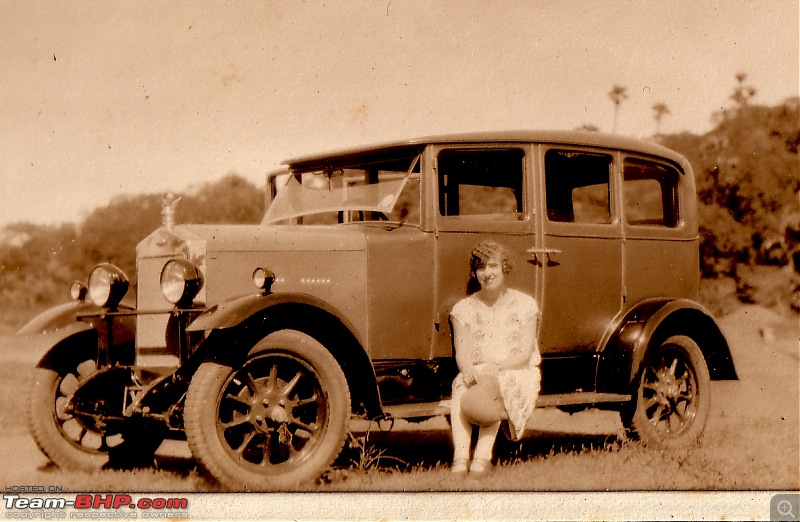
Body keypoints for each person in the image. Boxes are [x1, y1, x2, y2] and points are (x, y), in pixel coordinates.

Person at [449, 240, 541, 474]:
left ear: (504, 268)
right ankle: (460, 459)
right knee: (461, 385)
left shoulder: (525, 305)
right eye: (481, 268)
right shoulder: (464, 309)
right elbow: (463, 353)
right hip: (480, 370)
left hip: (515, 371)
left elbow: (524, 354)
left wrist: (495, 368)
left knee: (493, 388)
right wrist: (469, 369)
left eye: (493, 266)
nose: (487, 273)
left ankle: (481, 458)